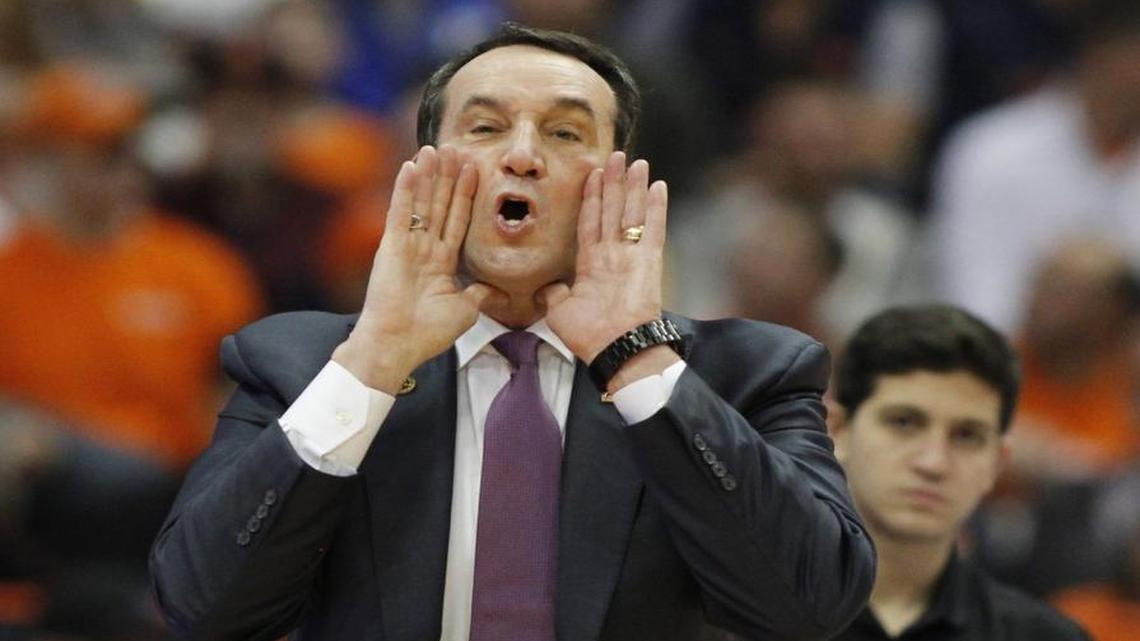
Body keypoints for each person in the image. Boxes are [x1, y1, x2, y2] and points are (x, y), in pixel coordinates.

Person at [150, 23, 874, 641]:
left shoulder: (749, 374)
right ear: (421, 175)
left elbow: (807, 607)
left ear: (618, 181)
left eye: (564, 132)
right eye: (486, 127)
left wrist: (635, 359)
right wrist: (371, 364)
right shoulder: (301, 364)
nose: (522, 155)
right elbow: (202, 606)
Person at [828, 305, 1090, 640]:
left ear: (997, 461)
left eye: (967, 435)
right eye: (903, 422)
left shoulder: (1045, 637)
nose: (933, 463)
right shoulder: (752, 615)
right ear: (838, 431)